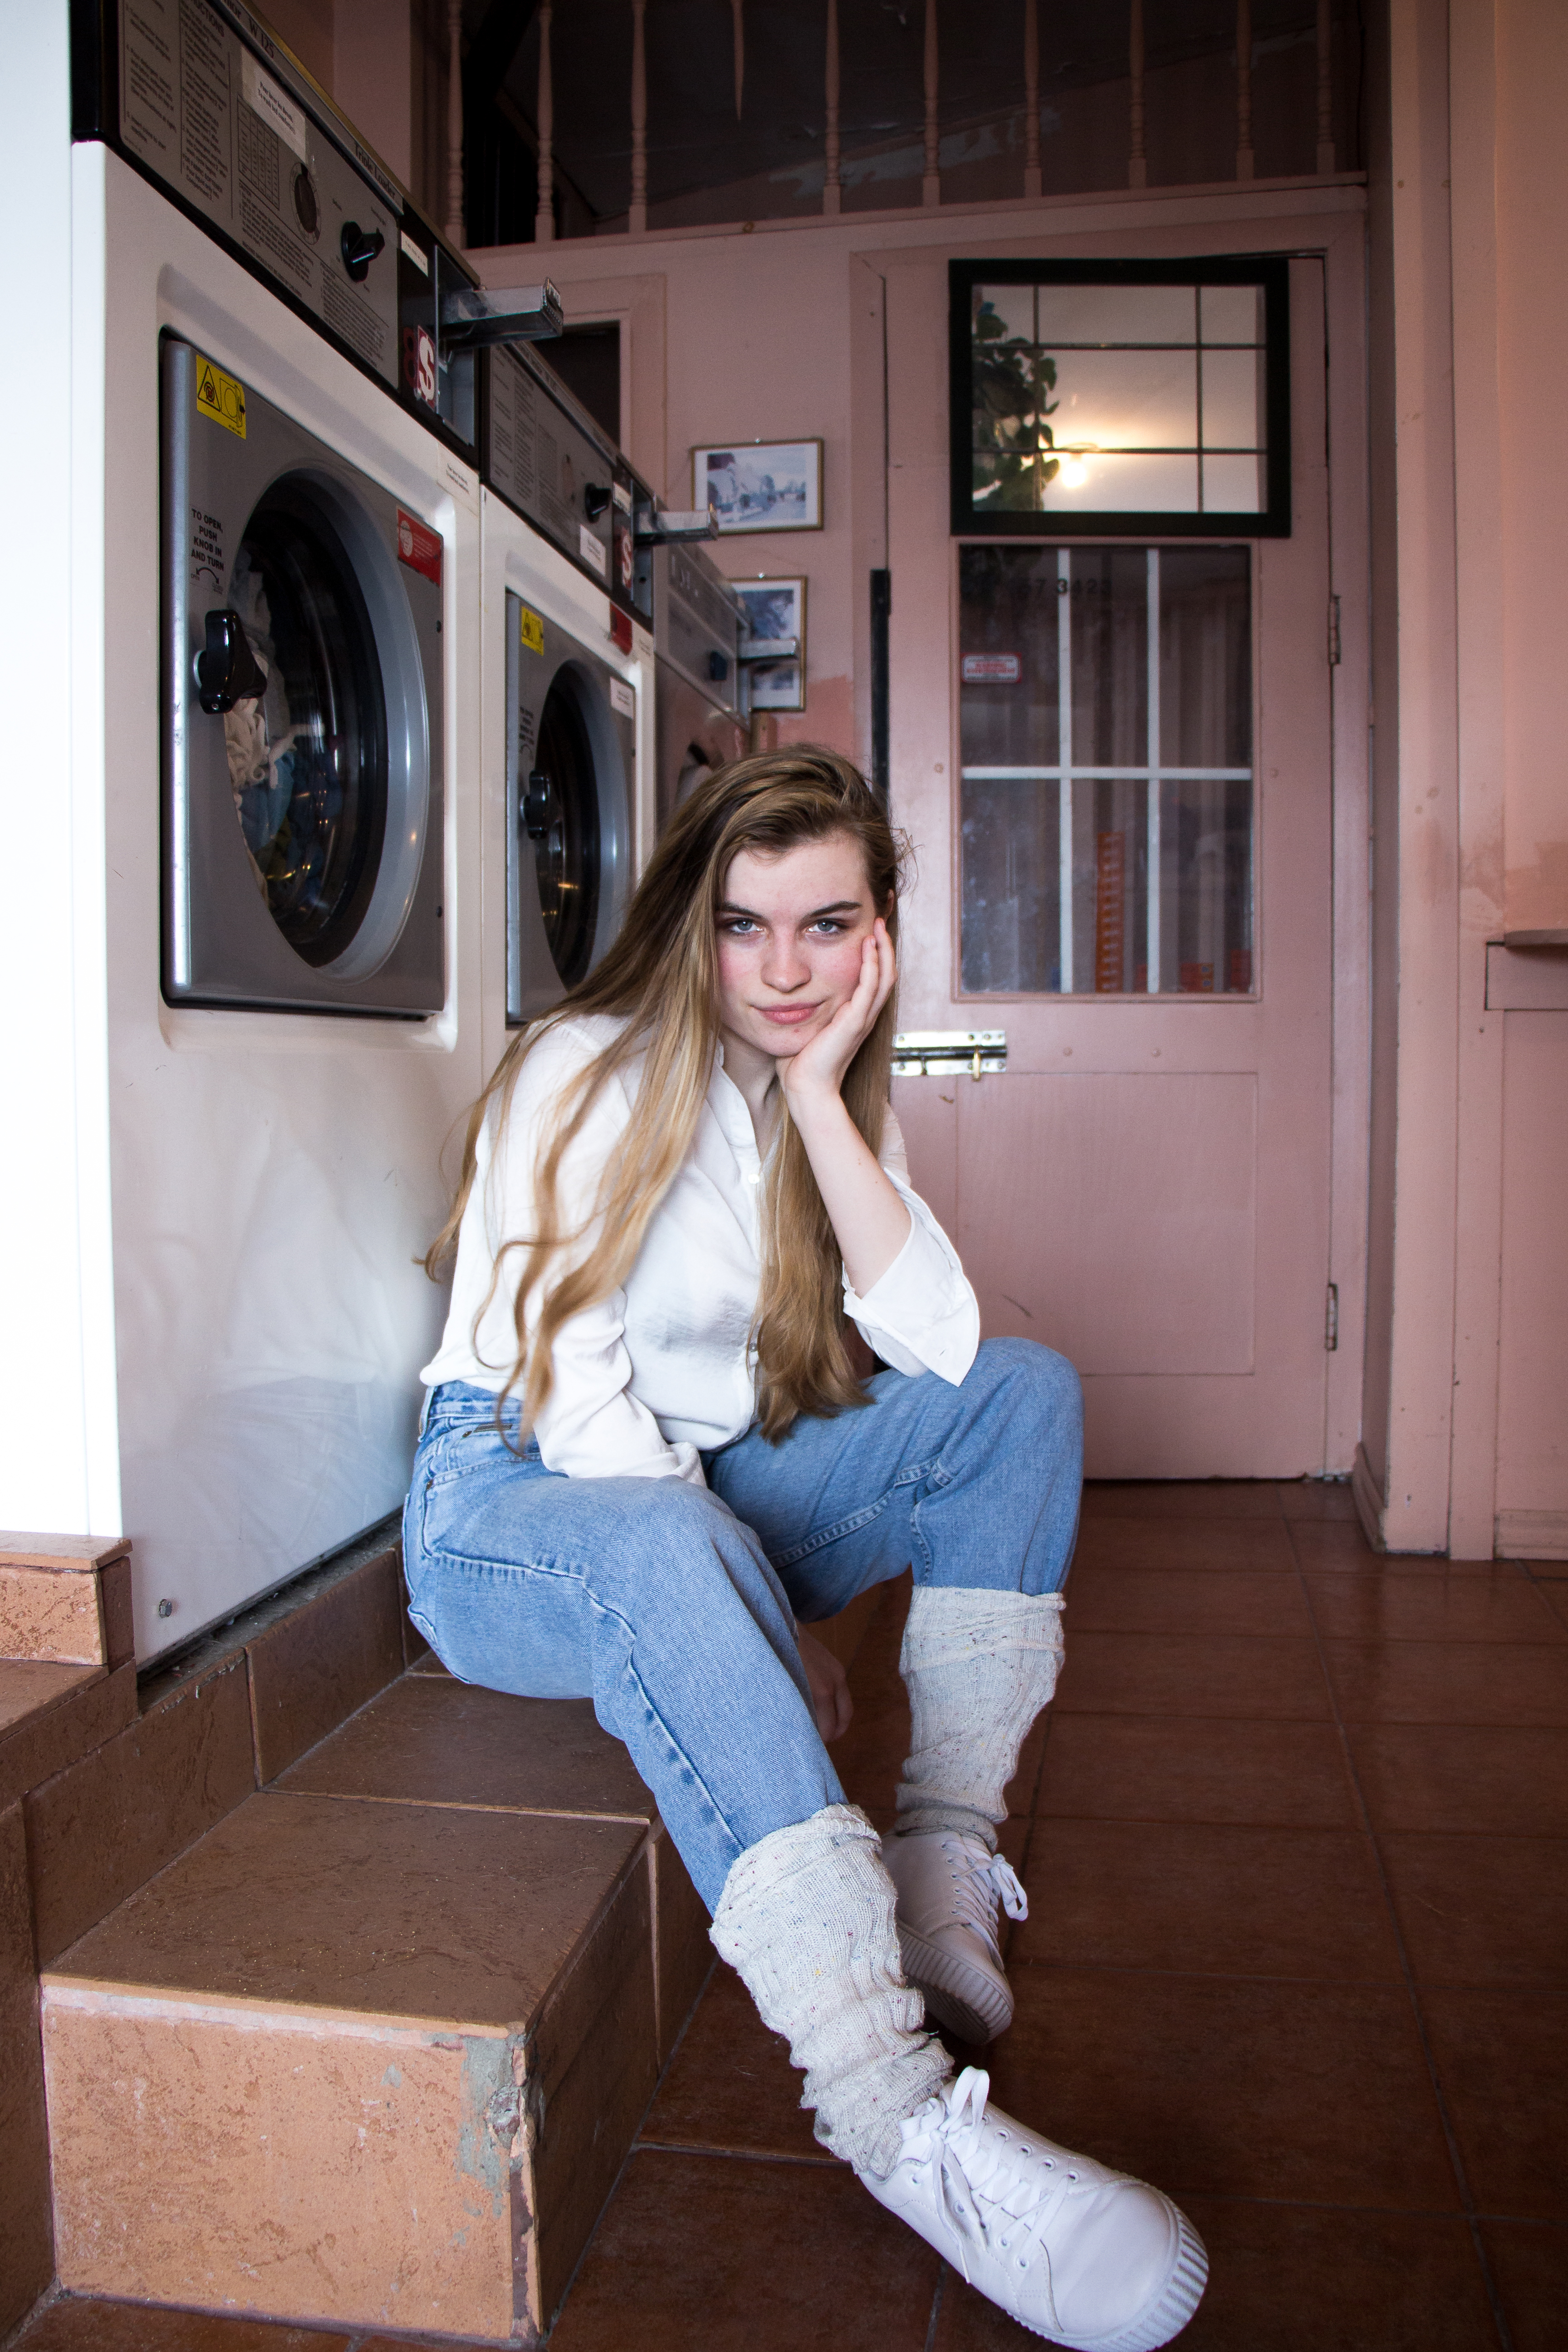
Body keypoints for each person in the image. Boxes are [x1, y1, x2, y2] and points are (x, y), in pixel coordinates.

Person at [404, 748, 1206, 2350]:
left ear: (878, 938)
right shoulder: (588, 1067)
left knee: (1021, 1397)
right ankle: (901, 2120)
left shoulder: (815, 1093)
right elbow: (578, 1409)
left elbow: (940, 1339)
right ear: (692, 929)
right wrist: (788, 1633)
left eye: (826, 927)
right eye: (746, 927)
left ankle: (939, 1856)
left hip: (698, 1491)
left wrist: (828, 1093)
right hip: (511, 1500)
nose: (784, 970)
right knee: (659, 1547)